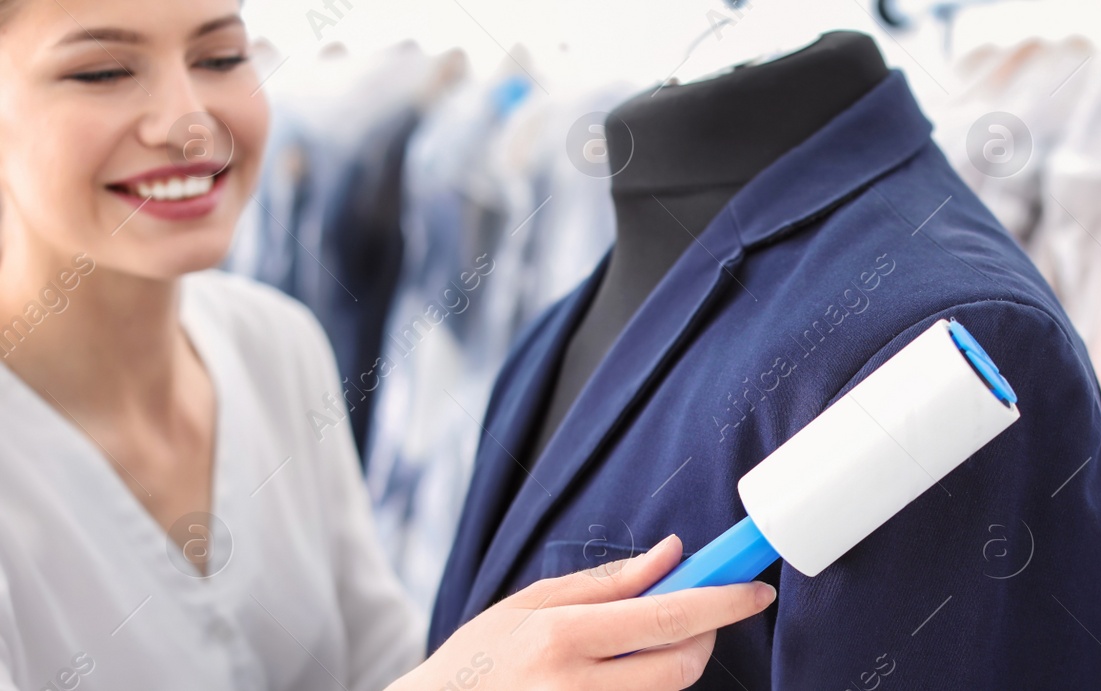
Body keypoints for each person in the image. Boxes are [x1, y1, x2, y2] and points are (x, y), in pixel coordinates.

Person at [0, 0, 775, 689]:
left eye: (220, 57)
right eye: (101, 71)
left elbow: (383, 661)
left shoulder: (276, 343)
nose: (190, 120)